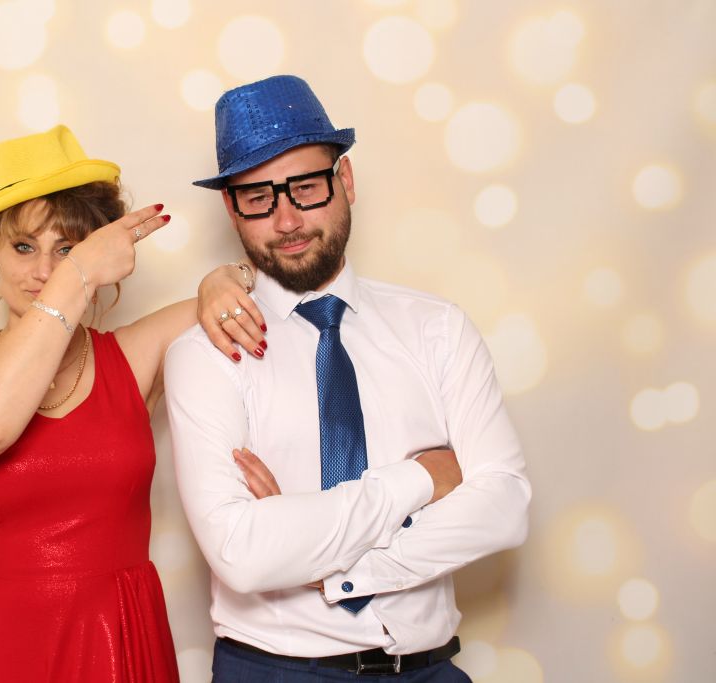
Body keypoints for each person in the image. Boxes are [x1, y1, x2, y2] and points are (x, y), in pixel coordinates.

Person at [164, 75, 532, 682]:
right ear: (231, 209)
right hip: (277, 672)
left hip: (430, 670)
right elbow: (243, 553)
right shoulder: (205, 355)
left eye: (306, 187)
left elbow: (503, 507)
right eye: (257, 197)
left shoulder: (437, 329)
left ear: (346, 181)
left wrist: (334, 562)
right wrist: (422, 477)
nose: (287, 220)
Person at [0, 125, 265, 682]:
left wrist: (225, 276)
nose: (44, 271)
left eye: (66, 250)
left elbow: (256, 294)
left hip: (113, 642)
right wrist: (79, 273)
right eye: (23, 247)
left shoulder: (131, 357)